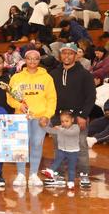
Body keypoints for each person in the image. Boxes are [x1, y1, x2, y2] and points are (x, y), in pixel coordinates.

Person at [45, 43, 95, 188]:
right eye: (64, 53)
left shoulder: (85, 74)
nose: (67, 56)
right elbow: (49, 96)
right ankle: (59, 174)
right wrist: (53, 117)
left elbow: (91, 96)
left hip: (78, 117)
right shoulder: (53, 74)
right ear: (60, 55)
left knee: (81, 146)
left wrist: (83, 115)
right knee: (58, 147)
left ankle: (84, 174)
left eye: (70, 53)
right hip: (58, 117)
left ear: (76, 55)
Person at [7, 48, 57, 187]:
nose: (32, 61)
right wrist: (19, 105)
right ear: (25, 60)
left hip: (40, 116)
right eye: (29, 58)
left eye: (35, 58)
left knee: (36, 144)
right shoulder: (16, 77)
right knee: (20, 145)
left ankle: (33, 174)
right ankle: (21, 174)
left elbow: (52, 98)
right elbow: (10, 98)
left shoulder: (47, 78)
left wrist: (47, 115)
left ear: (39, 60)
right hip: (21, 117)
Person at [43, 110, 81, 188]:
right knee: (57, 160)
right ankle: (50, 170)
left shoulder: (76, 127)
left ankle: (71, 181)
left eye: (67, 121)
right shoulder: (60, 127)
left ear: (72, 120)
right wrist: (44, 126)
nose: (64, 123)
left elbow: (70, 133)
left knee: (71, 168)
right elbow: (51, 131)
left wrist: (60, 129)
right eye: (62, 121)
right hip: (62, 150)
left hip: (73, 152)